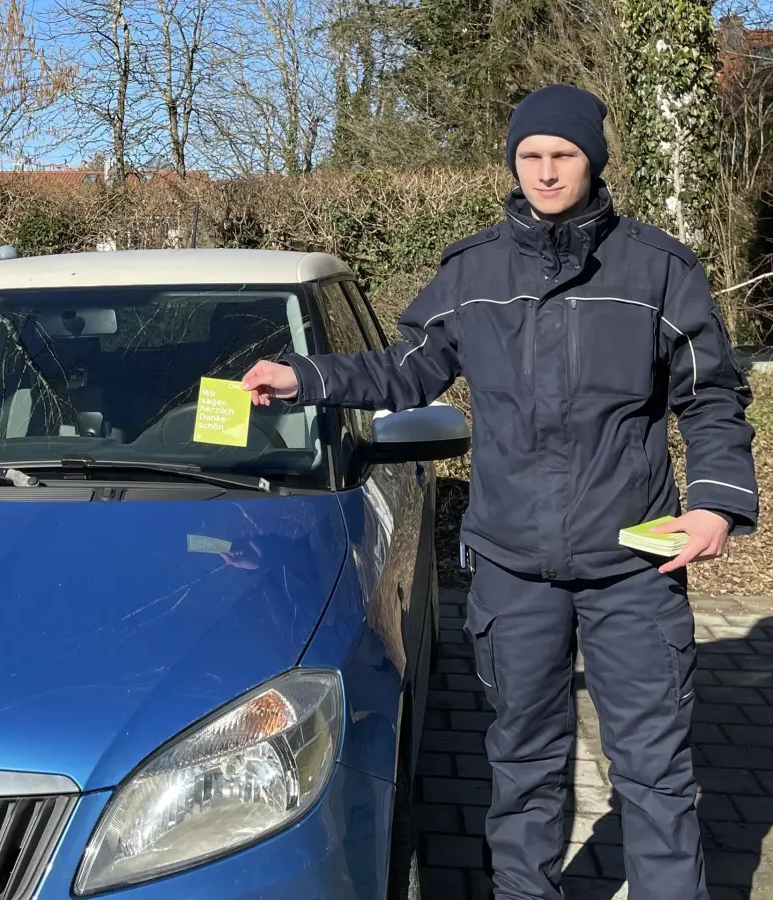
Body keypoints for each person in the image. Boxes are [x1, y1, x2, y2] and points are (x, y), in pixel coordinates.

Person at [242, 83, 758, 900]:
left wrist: (716, 504)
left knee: (655, 771)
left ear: (594, 159)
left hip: (635, 565)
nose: (547, 171)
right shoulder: (471, 270)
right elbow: (403, 368)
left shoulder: (660, 269)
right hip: (513, 566)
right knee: (521, 763)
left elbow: (713, 395)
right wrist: (304, 377)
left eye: (564, 155)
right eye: (531, 157)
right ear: (513, 164)